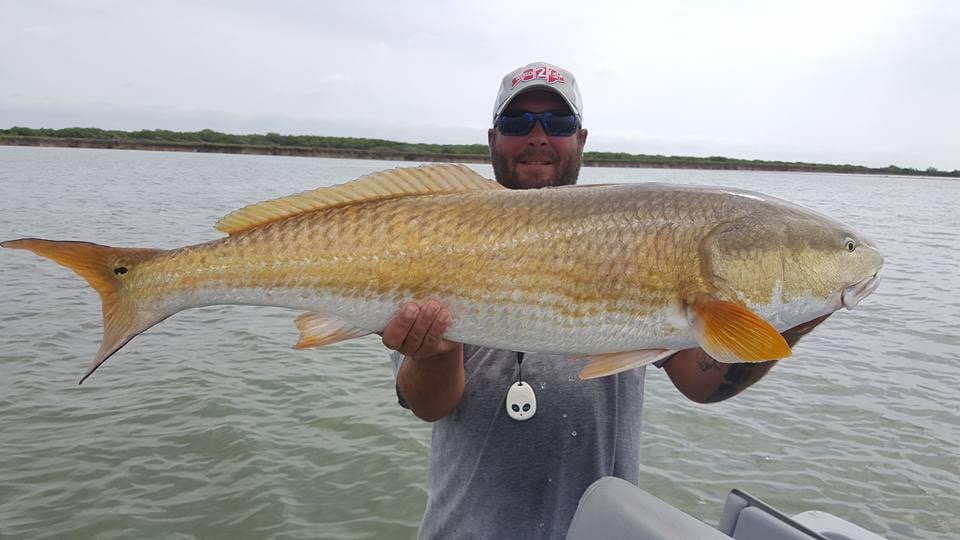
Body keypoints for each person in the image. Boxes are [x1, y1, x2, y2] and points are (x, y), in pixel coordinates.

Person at [381, 61, 829, 539]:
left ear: (581, 139)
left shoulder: (644, 237)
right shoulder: (431, 236)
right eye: (518, 123)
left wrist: (794, 314)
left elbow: (703, 385)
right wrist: (436, 352)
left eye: (558, 123)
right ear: (493, 140)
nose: (538, 136)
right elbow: (429, 405)